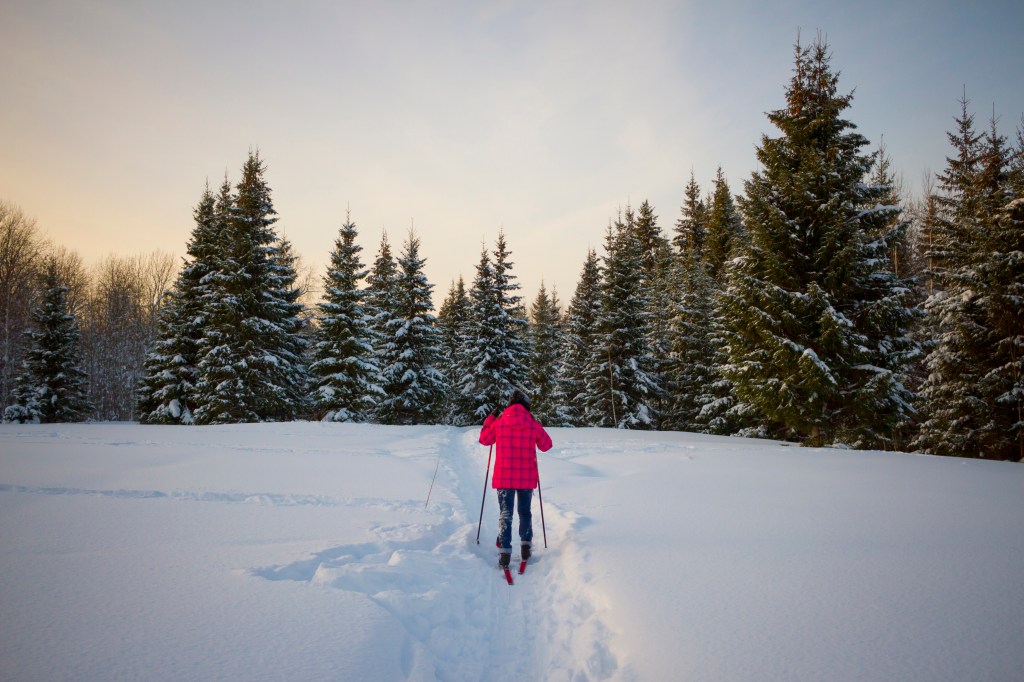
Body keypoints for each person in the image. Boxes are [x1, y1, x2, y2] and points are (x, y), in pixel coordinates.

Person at [478, 388, 553, 570]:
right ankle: (526, 547)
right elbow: (546, 445)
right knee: (525, 512)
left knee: (506, 514)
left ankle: (505, 553)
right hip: (526, 477)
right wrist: (537, 426)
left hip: (504, 478)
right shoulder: (532, 424)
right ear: (527, 405)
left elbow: (484, 440)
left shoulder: (500, 423)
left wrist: (490, 419)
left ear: (510, 404)